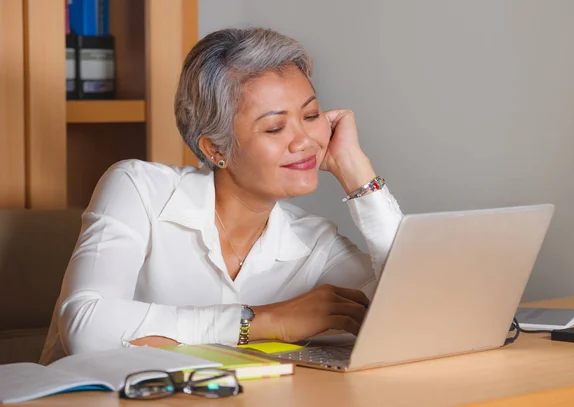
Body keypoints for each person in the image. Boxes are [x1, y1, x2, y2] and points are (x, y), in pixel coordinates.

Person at [40, 27, 402, 364]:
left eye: (311, 115)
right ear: (215, 148)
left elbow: (412, 312)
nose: (305, 141)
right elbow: (86, 327)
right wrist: (261, 322)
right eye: (275, 127)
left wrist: (358, 173)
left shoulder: (314, 243)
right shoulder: (138, 188)